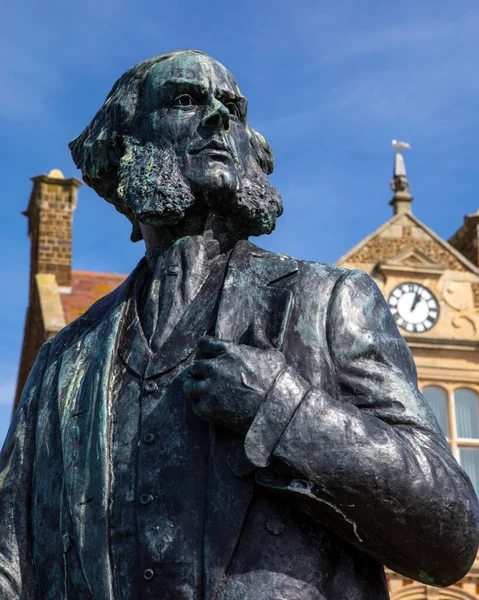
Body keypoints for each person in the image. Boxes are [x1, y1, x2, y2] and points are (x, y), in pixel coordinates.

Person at [0, 49, 478, 600]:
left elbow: (452, 534)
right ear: (124, 144)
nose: (218, 118)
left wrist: (283, 409)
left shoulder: (328, 303)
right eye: (186, 100)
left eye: (233, 106)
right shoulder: (64, 362)